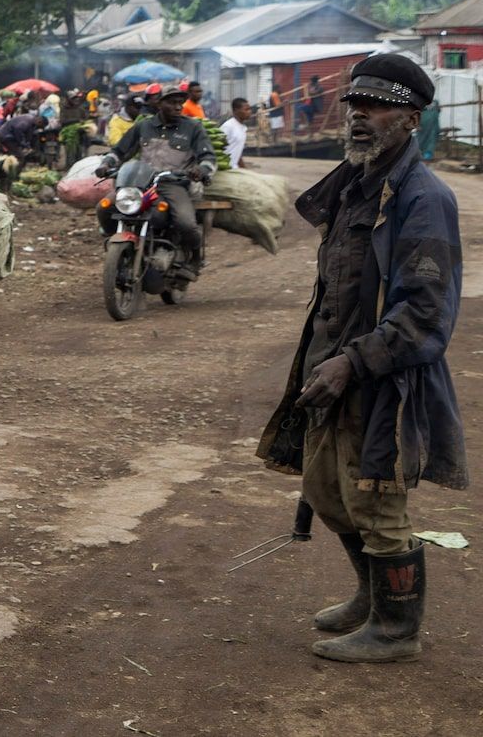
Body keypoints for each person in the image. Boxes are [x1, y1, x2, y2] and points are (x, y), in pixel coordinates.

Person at [256, 52, 463, 664]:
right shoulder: (356, 184)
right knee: (327, 491)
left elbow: (426, 314)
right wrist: (324, 362)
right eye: (355, 104)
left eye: (377, 106)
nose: (359, 116)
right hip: (332, 370)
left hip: (382, 378)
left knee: (376, 501)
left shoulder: (424, 199)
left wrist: (352, 362)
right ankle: (371, 596)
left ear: (411, 117)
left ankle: (397, 628)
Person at [97, 82, 215, 275]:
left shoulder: (193, 127)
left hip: (173, 184)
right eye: (172, 102)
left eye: (180, 102)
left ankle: (195, 258)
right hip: (141, 183)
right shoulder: (143, 126)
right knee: (103, 207)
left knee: (186, 224)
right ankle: (116, 242)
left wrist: (201, 170)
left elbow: (208, 157)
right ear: (159, 104)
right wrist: (106, 164)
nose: (178, 107)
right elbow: (119, 151)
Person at [221, 97, 253, 169]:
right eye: (246, 109)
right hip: (225, 168)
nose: (249, 112)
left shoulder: (243, 128)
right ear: (236, 110)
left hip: (234, 168)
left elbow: (238, 151)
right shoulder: (228, 126)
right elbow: (217, 149)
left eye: (250, 109)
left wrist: (244, 169)